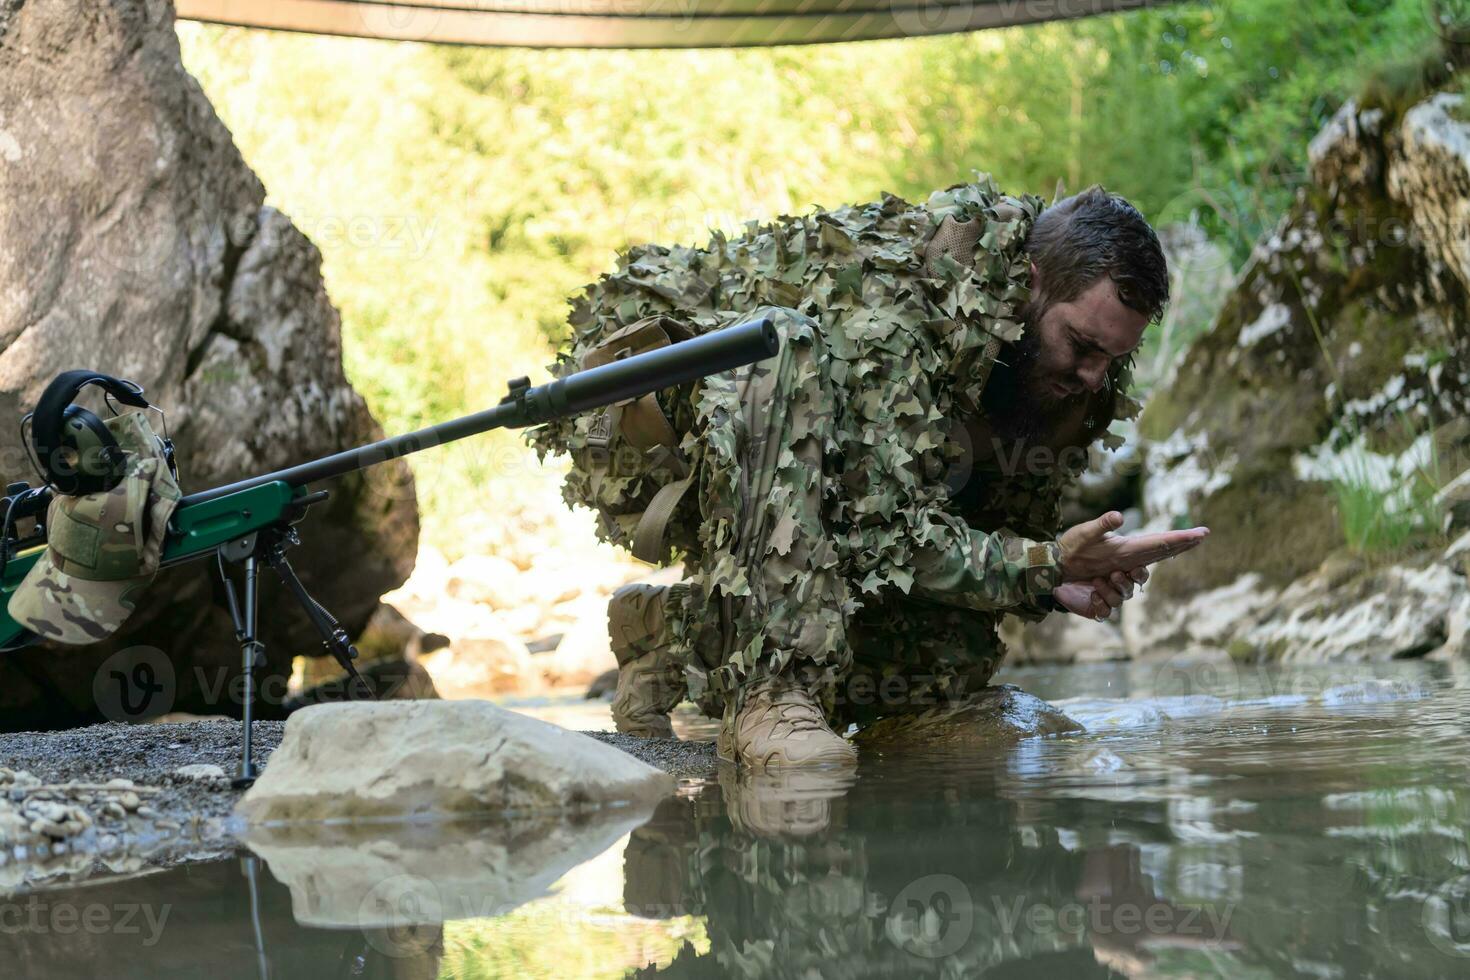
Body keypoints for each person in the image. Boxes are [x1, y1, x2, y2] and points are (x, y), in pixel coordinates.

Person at [528, 174, 1208, 769]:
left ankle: (672, 635)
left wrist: (1054, 580)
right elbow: (881, 534)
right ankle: (771, 693)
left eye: (1111, 358)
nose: (1093, 376)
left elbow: (988, 534)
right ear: (1029, 283)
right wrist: (1040, 564)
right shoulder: (900, 307)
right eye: (1083, 346)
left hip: (818, 482)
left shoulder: (1062, 366)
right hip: (652, 420)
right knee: (780, 349)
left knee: (935, 674)